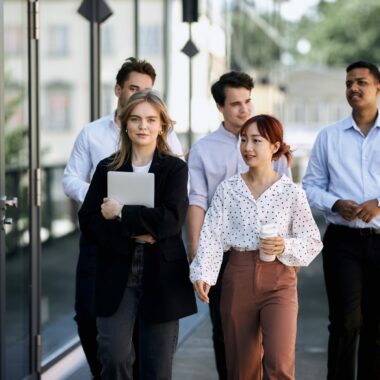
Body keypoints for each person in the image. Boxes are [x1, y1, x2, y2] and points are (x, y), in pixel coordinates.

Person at [62, 57, 183, 379]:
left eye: (151, 120)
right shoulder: (106, 167)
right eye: (136, 120)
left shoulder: (174, 169)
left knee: (157, 368)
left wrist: (122, 214)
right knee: (114, 357)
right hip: (116, 267)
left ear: (162, 126)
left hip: (160, 270)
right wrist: (139, 229)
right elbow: (89, 221)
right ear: (125, 124)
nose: (143, 126)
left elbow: (171, 221)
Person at [190, 114, 322, 380]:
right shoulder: (228, 189)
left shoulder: (291, 192)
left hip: (280, 281)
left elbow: (312, 241)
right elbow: (213, 234)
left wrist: (284, 245)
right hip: (237, 277)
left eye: (256, 141)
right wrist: (203, 272)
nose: (247, 147)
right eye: (243, 140)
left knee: (280, 365)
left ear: (274, 146)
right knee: (242, 368)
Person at [187, 71, 291, 379]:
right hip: (224, 254)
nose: (244, 110)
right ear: (220, 107)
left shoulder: (273, 146)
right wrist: (197, 253)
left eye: (247, 101)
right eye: (235, 104)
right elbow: (197, 201)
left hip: (270, 254)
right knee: (227, 335)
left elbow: (287, 200)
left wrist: (289, 254)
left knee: (273, 338)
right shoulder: (204, 150)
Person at [302, 60, 380, 380]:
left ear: (378, 88)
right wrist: (335, 203)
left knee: (376, 325)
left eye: (361, 82)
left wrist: (378, 204)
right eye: (348, 83)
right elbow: (310, 186)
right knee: (345, 323)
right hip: (342, 240)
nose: (353, 88)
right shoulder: (329, 136)